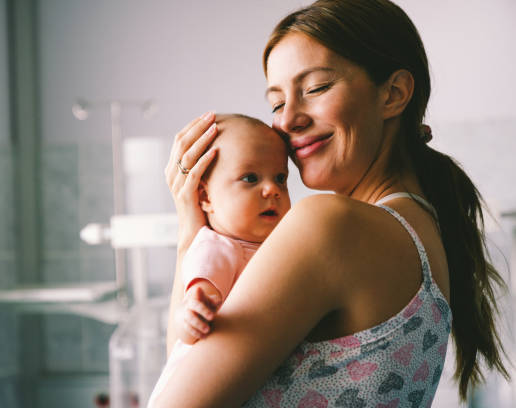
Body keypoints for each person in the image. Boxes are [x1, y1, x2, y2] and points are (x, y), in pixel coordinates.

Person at [157, 1, 509, 407]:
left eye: (316, 88)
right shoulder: (423, 224)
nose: (288, 120)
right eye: (276, 103)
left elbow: (176, 394)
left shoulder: (330, 224)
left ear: (393, 94)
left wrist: (192, 230)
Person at [148, 114, 291, 407]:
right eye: (250, 178)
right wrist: (193, 314)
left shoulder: (276, 245)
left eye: (280, 177)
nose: (272, 189)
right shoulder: (219, 249)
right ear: (206, 197)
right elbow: (198, 302)